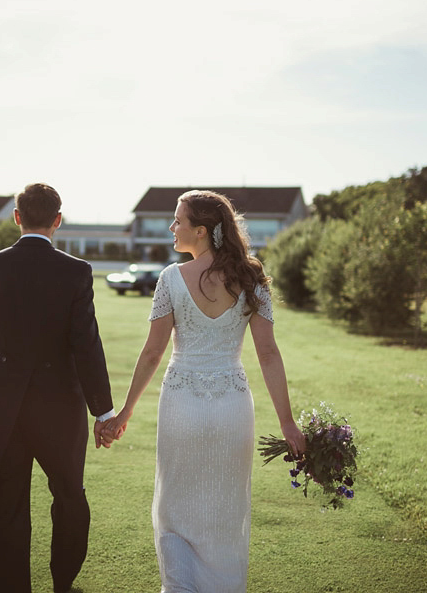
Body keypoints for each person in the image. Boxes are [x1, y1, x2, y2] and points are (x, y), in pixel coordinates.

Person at [104, 190, 306, 592]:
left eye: (178, 221)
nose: (171, 227)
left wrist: (125, 411)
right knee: (226, 512)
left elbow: (152, 353)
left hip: (181, 404)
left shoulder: (170, 279)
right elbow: (267, 353)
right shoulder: (251, 278)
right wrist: (288, 423)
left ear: (201, 231)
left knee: (175, 509)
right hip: (232, 406)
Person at [0, 183, 117, 593]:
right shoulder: (76, 271)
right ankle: (63, 580)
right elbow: (86, 343)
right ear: (57, 220)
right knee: (69, 496)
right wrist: (102, 410)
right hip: (60, 407)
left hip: (2, 404)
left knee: (2, 503)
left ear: (16, 217)